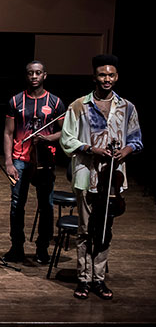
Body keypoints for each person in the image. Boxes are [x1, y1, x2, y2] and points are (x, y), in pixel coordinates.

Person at [60, 54, 142, 301]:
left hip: (114, 179)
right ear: (94, 76)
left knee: (106, 229)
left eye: (111, 75)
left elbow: (136, 140)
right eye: (102, 74)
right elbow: (67, 139)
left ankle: (99, 278)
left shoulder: (127, 107)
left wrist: (124, 151)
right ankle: (83, 279)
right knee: (85, 230)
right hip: (86, 174)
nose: (107, 79)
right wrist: (90, 149)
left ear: (117, 77)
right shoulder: (78, 106)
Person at [3, 61, 66, 265]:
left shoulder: (56, 102)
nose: (34, 76)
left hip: (45, 159)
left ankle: (42, 248)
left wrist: (47, 139)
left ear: (44, 75)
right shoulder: (16, 100)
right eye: (30, 73)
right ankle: (17, 247)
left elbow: (65, 132)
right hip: (20, 159)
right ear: (26, 75)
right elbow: (8, 132)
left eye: (38, 73)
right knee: (16, 205)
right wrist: (8, 161)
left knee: (46, 205)